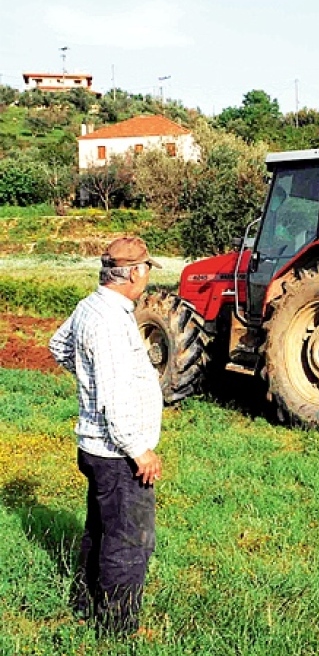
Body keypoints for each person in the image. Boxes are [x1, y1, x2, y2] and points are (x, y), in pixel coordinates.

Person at [48, 237, 164, 639]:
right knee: (130, 540)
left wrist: (87, 377)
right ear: (134, 272)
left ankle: (85, 600)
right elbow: (114, 397)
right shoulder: (112, 322)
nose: (147, 275)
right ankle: (117, 627)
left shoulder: (90, 307)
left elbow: (58, 345)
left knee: (99, 528)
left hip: (94, 447)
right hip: (118, 453)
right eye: (147, 268)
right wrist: (138, 450)